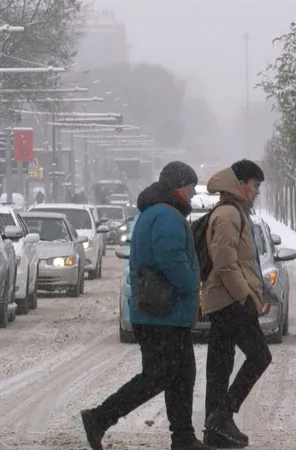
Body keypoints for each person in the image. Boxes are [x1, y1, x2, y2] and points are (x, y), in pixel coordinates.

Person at [80, 161, 213, 450]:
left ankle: (184, 438)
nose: (192, 192)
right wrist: (192, 285)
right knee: (160, 376)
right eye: (190, 185)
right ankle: (100, 417)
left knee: (181, 375)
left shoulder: (156, 212)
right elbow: (171, 260)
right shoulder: (167, 216)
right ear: (177, 186)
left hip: (161, 313)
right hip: (162, 313)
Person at [201, 159, 273, 448]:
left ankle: (214, 431)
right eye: (254, 185)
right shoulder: (229, 214)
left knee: (220, 365)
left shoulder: (233, 212)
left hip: (225, 300)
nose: (256, 191)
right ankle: (222, 415)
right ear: (241, 184)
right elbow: (226, 263)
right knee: (260, 356)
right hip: (231, 301)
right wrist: (246, 297)